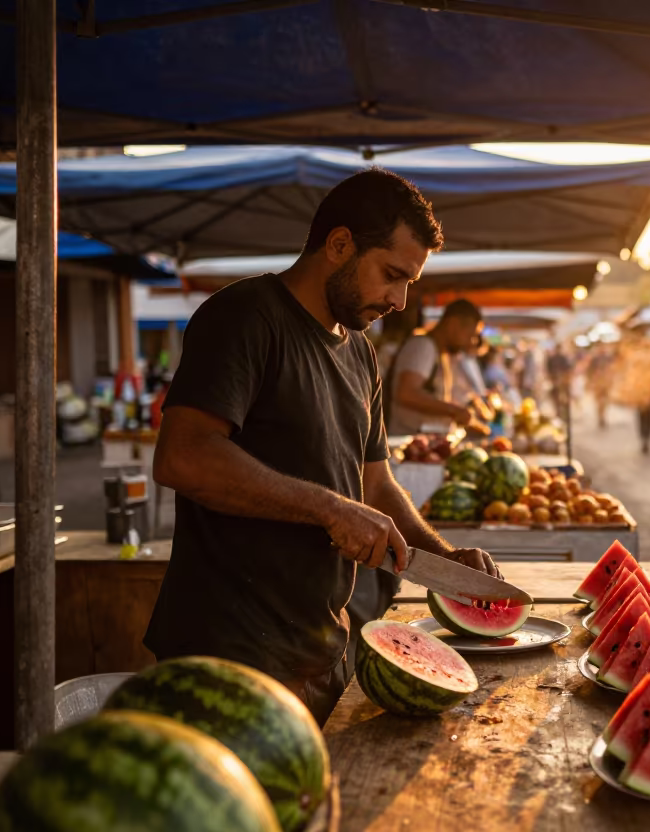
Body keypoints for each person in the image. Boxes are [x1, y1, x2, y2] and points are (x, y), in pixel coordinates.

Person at [145, 169, 501, 725]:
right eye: (391, 275)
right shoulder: (243, 317)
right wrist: (330, 509)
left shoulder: (361, 355)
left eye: (409, 282)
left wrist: (444, 557)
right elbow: (183, 455)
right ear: (339, 245)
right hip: (229, 657)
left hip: (319, 651)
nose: (400, 300)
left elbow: (375, 485)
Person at [385, 299, 485, 436]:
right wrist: (455, 411)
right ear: (453, 324)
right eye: (470, 335)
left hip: (424, 443)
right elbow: (406, 393)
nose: (471, 341)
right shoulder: (423, 346)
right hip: (408, 443)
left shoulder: (439, 352)